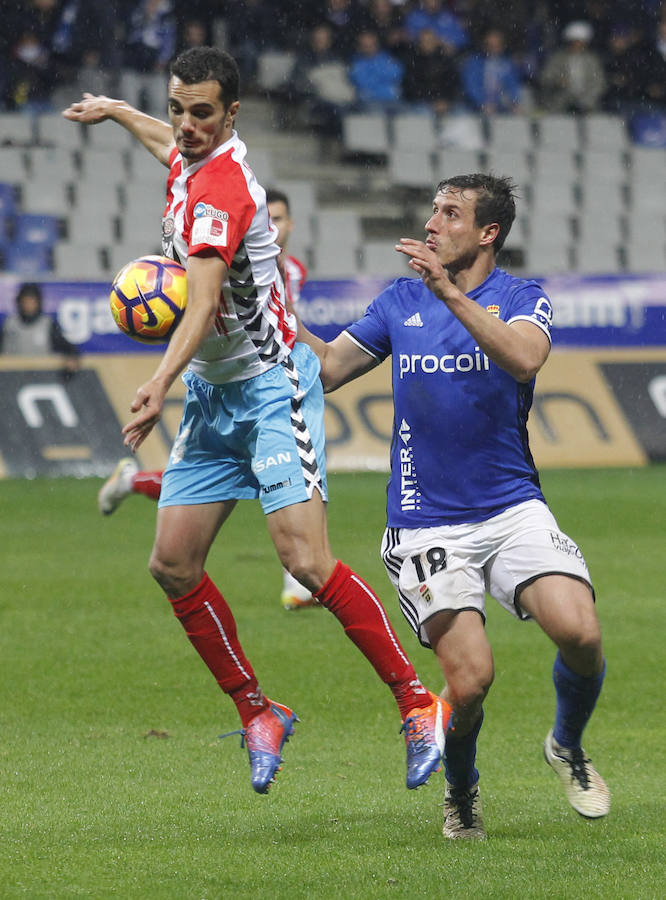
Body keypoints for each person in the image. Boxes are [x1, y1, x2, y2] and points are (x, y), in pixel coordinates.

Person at [62, 46, 450, 796]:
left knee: (306, 563)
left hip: (272, 390)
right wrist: (116, 113)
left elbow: (203, 302)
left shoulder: (225, 189)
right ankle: (258, 710)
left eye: (202, 112)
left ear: (231, 114)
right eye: (177, 108)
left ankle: (416, 701)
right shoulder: (185, 155)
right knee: (171, 562)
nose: (185, 125)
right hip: (215, 396)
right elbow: (162, 144)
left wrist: (155, 383)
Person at [293, 173, 610, 838]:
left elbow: (523, 359)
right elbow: (327, 368)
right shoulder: (400, 300)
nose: (433, 223)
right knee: (469, 683)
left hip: (510, 506)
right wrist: (271, 315)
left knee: (581, 634)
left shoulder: (523, 299)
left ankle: (567, 747)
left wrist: (451, 296)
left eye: (451, 213)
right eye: (433, 211)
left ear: (488, 232)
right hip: (425, 521)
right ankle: (461, 790)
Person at [98, 187, 315, 611]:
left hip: (271, 377)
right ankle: (300, 582)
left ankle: (297, 583)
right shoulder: (223, 261)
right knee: (276, 484)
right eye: (267, 217)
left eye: (282, 218)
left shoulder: (295, 271)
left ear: (290, 225)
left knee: (279, 484)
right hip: (231, 382)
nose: (275, 225)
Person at [0, 282, 80, 376]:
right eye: (25, 302)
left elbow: (66, 346)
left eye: (32, 302)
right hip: (11, 374)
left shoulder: (47, 324)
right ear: (19, 302)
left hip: (40, 375)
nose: (28, 306)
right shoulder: (9, 324)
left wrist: (72, 357)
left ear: (39, 303)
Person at [539, 20, 606, 113]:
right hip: (560, 104)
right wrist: (557, 81)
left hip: (588, 106)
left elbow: (599, 83)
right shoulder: (557, 58)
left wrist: (587, 100)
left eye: (580, 41)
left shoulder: (592, 60)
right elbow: (545, 78)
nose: (577, 44)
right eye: (574, 41)